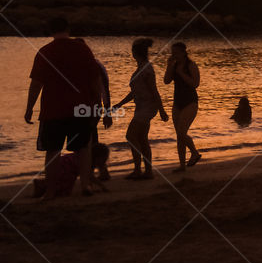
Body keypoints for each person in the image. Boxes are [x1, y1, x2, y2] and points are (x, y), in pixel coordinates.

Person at [24, 17, 105, 197]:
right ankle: (85, 185)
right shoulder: (82, 49)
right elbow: (95, 80)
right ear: (68, 28)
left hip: (53, 110)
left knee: (53, 150)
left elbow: (36, 84)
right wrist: (98, 104)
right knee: (83, 147)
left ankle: (51, 190)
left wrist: (29, 108)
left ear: (50, 30)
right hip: (81, 108)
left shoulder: (45, 52)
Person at [114, 38, 168, 180]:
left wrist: (161, 110)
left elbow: (154, 91)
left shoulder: (146, 69)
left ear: (134, 53)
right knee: (142, 139)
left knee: (131, 137)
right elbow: (135, 92)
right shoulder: (141, 67)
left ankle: (138, 170)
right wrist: (120, 104)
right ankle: (147, 172)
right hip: (141, 107)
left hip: (148, 107)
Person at [164, 41, 202, 171]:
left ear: (183, 52)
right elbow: (166, 81)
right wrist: (169, 66)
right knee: (179, 135)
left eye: (176, 52)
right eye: (172, 52)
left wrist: (181, 72)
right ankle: (182, 166)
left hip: (190, 101)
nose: (173, 54)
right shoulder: (173, 65)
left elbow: (195, 84)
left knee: (181, 133)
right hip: (177, 102)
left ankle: (195, 153)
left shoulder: (191, 65)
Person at [32, 143, 110, 199]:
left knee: (56, 180)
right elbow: (90, 176)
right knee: (64, 190)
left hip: (63, 162)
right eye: (103, 159)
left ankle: (43, 185)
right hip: (67, 167)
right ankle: (42, 185)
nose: (104, 161)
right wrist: (102, 186)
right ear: (97, 157)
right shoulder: (87, 161)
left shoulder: (84, 157)